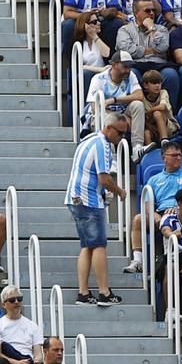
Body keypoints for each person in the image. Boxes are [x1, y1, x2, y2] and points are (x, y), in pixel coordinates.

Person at [65, 117, 127, 306]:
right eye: (119, 133)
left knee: (87, 245)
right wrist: (119, 192)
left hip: (75, 198)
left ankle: (83, 293)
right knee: (99, 245)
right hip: (88, 200)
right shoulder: (102, 145)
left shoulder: (88, 140)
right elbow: (104, 178)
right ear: (108, 128)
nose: (121, 137)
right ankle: (104, 292)